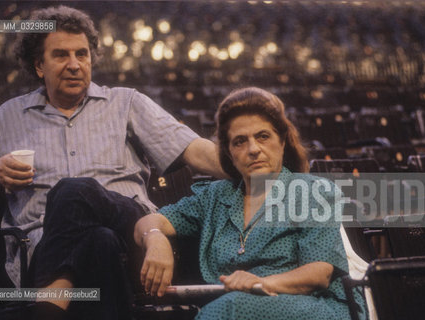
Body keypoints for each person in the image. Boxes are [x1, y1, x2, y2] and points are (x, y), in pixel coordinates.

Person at [0, 5, 224, 320]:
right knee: (98, 240)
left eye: (82, 54)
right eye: (61, 56)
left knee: (72, 191)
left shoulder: (126, 103)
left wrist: (263, 172)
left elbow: (194, 150)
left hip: (132, 234)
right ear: (39, 65)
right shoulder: (9, 117)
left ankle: (46, 310)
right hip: (43, 248)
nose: (74, 65)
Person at [135, 87, 367, 319]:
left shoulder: (312, 191)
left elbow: (318, 274)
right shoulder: (215, 197)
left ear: (282, 140)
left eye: (263, 137)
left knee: (232, 307)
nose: (253, 149)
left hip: (316, 305)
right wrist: (155, 237)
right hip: (240, 306)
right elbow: (149, 221)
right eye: (240, 142)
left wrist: (260, 283)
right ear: (229, 153)